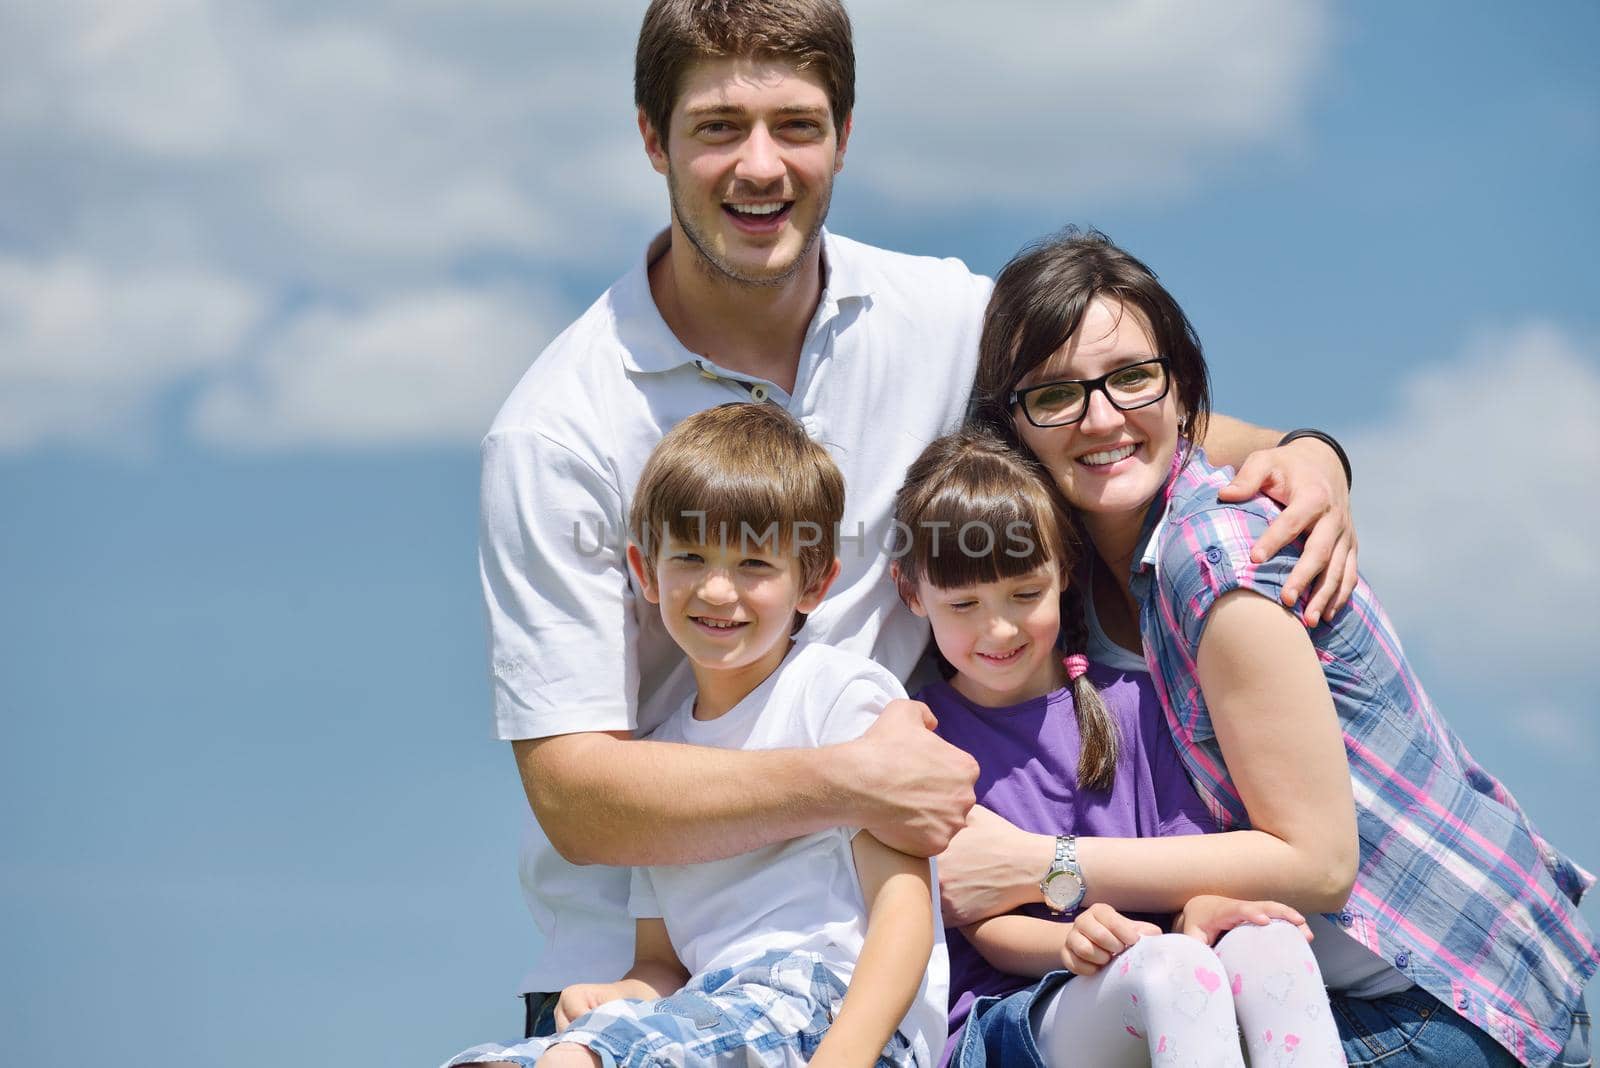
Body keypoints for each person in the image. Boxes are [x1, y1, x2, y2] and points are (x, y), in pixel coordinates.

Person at [479, 0, 1361, 1042]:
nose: (760, 165)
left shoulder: (937, 318)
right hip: (648, 982)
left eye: (796, 126)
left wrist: (1306, 455)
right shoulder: (559, 431)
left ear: (844, 137)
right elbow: (578, 799)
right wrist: (853, 781)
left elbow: (1119, 417)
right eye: (718, 125)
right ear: (650, 135)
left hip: (887, 972)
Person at [943, 226, 1596, 1067]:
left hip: (1440, 995)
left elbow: (1317, 862)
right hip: (1313, 974)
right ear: (1014, 425)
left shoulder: (1211, 556)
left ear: (1182, 388)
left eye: (1132, 378)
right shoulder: (1057, 580)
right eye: (1056, 395)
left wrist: (1046, 866)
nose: (1101, 416)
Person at [450, 404, 945, 1067]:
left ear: (815, 581)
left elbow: (904, 911)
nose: (717, 589)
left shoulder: (840, 695)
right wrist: (618, 996)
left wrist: (844, 1058)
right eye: (690, 555)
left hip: (836, 1010)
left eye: (753, 564)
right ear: (646, 571)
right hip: (715, 1010)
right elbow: (661, 963)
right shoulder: (664, 764)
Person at [890, 429, 1345, 1067]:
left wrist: (1206, 908)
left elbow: (1189, 858)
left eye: (1024, 594)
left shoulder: (1133, 704)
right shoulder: (925, 737)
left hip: (1155, 964)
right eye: (963, 603)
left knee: (1269, 944)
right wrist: (1073, 941)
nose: (997, 628)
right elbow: (980, 921)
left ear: (1063, 575)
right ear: (912, 593)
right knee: (1168, 971)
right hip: (1010, 1014)